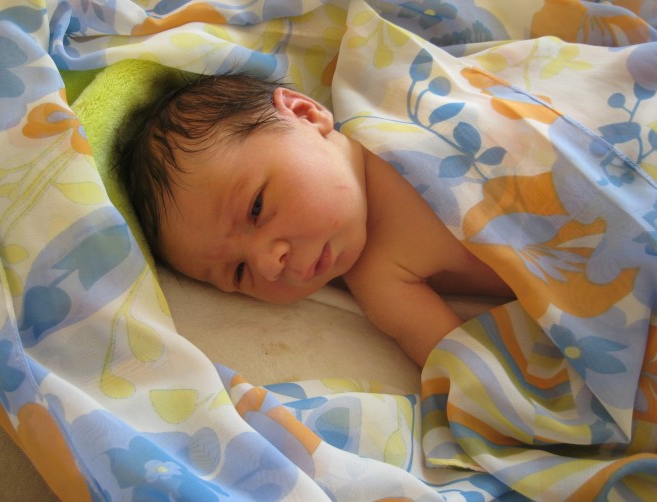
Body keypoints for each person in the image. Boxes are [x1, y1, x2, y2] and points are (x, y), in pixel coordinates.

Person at [118, 73, 513, 367]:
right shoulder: (381, 280)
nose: (268, 264)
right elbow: (468, 371)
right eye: (238, 272)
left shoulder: (396, 99)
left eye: (256, 208)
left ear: (304, 113)